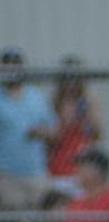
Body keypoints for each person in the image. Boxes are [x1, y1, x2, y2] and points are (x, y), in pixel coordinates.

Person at [0, 47, 56, 211]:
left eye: (15, 67)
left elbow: (53, 131)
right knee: (14, 221)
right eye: (6, 67)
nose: (11, 71)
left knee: (38, 215)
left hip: (36, 172)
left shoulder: (36, 97)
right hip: (7, 174)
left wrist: (41, 132)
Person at [47, 54, 102, 190]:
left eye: (76, 78)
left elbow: (98, 133)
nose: (72, 84)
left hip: (82, 166)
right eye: (68, 78)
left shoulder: (88, 100)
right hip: (59, 166)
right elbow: (53, 137)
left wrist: (86, 113)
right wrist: (66, 119)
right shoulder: (56, 101)